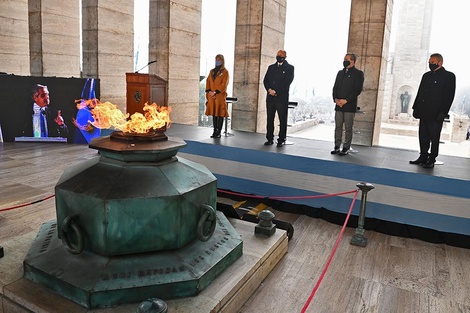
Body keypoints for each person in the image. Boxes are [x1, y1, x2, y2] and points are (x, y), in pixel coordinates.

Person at [410, 53, 456, 168]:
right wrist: (415, 108)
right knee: (423, 135)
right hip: (424, 111)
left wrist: (443, 112)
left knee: (434, 137)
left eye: (432, 62)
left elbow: (449, 96)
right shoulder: (426, 76)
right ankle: (423, 156)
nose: (430, 64)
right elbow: (420, 93)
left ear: (440, 62)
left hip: (436, 113)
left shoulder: (449, 76)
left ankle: (432, 158)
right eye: (429, 62)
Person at [331, 53, 364, 155]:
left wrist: (346, 101)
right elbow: (335, 87)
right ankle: (337, 146)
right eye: (344, 59)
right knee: (338, 127)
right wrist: (335, 99)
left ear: (352, 61)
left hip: (349, 105)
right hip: (338, 105)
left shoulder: (358, 73)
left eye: (347, 59)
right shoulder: (340, 73)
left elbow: (357, 90)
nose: (344, 61)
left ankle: (346, 148)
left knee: (348, 128)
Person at [263, 49, 295, 147]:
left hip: (281, 98)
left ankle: (281, 139)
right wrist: (269, 90)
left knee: (282, 119)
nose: (279, 56)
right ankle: (269, 138)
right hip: (270, 98)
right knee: (270, 119)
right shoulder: (271, 67)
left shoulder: (290, 68)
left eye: (281, 55)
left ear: (285, 57)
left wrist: (276, 91)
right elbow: (265, 80)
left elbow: (287, 82)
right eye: (278, 55)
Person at [205, 54, 229, 138]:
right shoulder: (212, 71)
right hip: (211, 96)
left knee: (220, 113)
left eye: (219, 59)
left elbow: (224, 84)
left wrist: (215, 92)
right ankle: (214, 130)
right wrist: (209, 92)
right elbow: (208, 81)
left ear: (222, 61)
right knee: (214, 113)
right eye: (216, 59)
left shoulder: (225, 72)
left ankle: (219, 131)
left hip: (219, 95)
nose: (217, 61)